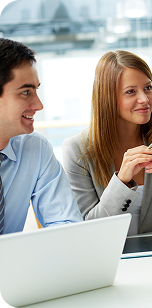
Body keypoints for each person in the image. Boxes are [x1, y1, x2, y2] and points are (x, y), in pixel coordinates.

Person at [62, 50, 152, 236]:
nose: (144, 99)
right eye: (130, 92)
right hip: (104, 257)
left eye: (148, 88)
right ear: (107, 98)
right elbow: (89, 228)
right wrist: (121, 181)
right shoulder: (77, 150)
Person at [0, 38, 82, 234]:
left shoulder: (35, 148)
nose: (39, 105)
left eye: (36, 90)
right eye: (26, 92)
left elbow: (66, 225)